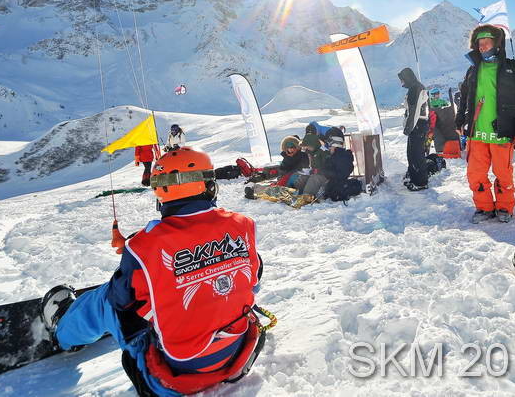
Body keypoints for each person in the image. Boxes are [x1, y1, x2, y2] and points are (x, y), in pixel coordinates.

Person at [41, 148, 265, 396]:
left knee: (105, 300)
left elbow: (121, 299)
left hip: (176, 372)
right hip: (236, 352)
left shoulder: (144, 246)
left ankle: (63, 333)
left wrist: (138, 256)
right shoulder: (243, 224)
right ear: (209, 185)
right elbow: (254, 277)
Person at [455, 24, 515, 223]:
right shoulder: (473, 70)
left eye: (487, 42)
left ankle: (504, 207)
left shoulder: (513, 68)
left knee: (503, 174)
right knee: (475, 174)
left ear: (497, 44)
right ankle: (484, 208)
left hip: (503, 132)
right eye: (479, 43)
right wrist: (460, 120)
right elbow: (464, 98)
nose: (482, 46)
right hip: (477, 133)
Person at [299, 127, 356, 201]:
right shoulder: (333, 156)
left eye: (329, 146)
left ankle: (306, 198)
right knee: (310, 177)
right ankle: (301, 195)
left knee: (316, 178)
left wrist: (322, 172)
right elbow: (327, 168)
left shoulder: (342, 157)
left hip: (335, 184)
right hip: (330, 181)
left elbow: (341, 174)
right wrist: (316, 171)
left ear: (335, 144)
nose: (328, 148)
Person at [398, 68, 429, 190]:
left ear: (407, 78)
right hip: (419, 124)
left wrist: (408, 128)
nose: (402, 82)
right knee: (413, 154)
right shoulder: (416, 87)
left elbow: (414, 111)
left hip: (417, 124)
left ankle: (420, 182)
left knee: (416, 154)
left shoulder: (415, 89)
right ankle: (414, 178)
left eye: (402, 80)